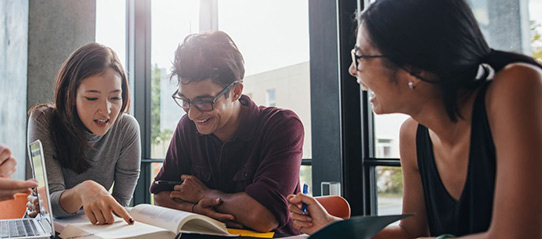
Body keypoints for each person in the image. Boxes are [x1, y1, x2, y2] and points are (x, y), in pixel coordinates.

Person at [288, 0, 542, 238]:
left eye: (360, 56)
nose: (353, 70)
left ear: (415, 66)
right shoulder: (412, 135)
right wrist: (330, 225)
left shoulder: (515, 87)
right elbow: (411, 232)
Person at [150, 30, 304, 234]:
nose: (193, 115)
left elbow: (263, 217)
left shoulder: (282, 126)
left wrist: (204, 194)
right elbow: (161, 196)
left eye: (204, 102)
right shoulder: (187, 127)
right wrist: (196, 208)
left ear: (236, 91)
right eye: (186, 101)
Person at [27, 43, 140, 225]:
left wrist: (71, 199)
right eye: (92, 98)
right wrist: (83, 192)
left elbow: (120, 207)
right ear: (70, 96)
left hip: (94, 231)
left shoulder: (127, 128)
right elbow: (50, 207)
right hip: (49, 230)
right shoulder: (44, 120)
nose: (106, 110)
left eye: (115, 97)